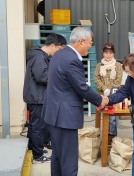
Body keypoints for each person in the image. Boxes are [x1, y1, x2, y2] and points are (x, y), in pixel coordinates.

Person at [41, 27, 107, 176]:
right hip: (64, 116)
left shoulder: (59, 54)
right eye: (90, 42)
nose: (90, 46)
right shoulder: (71, 60)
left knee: (58, 157)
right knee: (69, 161)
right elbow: (81, 87)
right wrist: (99, 100)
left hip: (53, 113)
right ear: (81, 41)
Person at [23, 33, 67, 164]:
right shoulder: (39, 57)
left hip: (35, 96)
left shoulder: (39, 55)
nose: (60, 53)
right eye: (60, 49)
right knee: (38, 127)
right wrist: (59, 77)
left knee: (35, 125)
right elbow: (42, 77)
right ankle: (38, 155)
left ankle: (33, 148)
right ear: (53, 45)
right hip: (37, 97)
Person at [94, 42, 123, 144]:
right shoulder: (99, 65)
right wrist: (104, 88)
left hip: (114, 95)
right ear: (103, 53)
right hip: (101, 95)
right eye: (106, 52)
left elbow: (118, 80)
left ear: (113, 53)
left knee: (112, 117)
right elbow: (96, 78)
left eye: (110, 53)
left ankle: (111, 137)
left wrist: (109, 91)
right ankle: (103, 134)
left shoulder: (118, 65)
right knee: (103, 115)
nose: (108, 55)